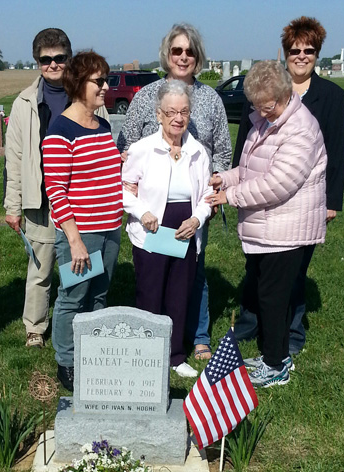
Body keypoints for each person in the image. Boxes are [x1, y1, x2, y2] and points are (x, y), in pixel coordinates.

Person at [232, 17, 344, 354]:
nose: (301, 56)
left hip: (301, 200)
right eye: (294, 50)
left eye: (308, 50)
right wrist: (236, 177)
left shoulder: (330, 96)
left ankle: (290, 336)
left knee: (292, 274)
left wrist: (332, 201)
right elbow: (247, 144)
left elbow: (336, 151)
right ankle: (251, 325)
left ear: (317, 54)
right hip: (263, 199)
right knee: (255, 270)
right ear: (285, 54)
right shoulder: (264, 90)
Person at [117, 23, 231, 361]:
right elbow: (126, 143)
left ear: (198, 57)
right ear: (167, 55)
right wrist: (131, 178)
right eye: (177, 51)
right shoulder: (145, 95)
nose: (183, 57)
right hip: (152, 206)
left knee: (192, 273)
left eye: (189, 51)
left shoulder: (210, 99)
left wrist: (214, 183)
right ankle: (151, 345)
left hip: (195, 202)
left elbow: (222, 149)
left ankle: (194, 337)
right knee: (154, 276)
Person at [209, 60, 327, 387]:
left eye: (269, 105)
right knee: (266, 294)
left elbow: (278, 183)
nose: (263, 111)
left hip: (286, 229)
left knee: (273, 298)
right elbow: (249, 169)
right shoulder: (265, 120)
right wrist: (225, 178)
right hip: (269, 227)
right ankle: (273, 355)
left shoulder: (300, 128)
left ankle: (276, 366)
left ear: (286, 94)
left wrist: (229, 196)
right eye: (257, 106)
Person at [4, 29, 109, 349]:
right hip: (41, 197)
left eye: (59, 58)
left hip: (83, 200)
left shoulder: (87, 94)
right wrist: (13, 204)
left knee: (81, 268)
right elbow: (16, 154)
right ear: (37, 62)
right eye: (45, 59)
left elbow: (103, 144)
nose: (52, 64)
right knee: (41, 267)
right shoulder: (24, 102)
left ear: (69, 58)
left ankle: (79, 322)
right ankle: (35, 327)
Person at [42, 51, 123, 391]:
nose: (106, 87)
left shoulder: (102, 125)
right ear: (79, 84)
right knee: (73, 296)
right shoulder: (61, 129)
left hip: (110, 229)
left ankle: (92, 354)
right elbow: (56, 192)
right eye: (99, 81)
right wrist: (74, 240)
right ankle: (67, 361)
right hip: (83, 233)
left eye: (106, 80)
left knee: (99, 295)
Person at [122, 80, 212, 378]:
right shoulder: (142, 149)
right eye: (171, 111)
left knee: (179, 292)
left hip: (184, 227)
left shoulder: (198, 151)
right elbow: (124, 190)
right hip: (152, 229)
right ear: (159, 114)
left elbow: (206, 198)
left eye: (184, 111)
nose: (178, 118)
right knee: (150, 292)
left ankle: (175, 355)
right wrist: (141, 212)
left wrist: (197, 219)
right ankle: (147, 355)